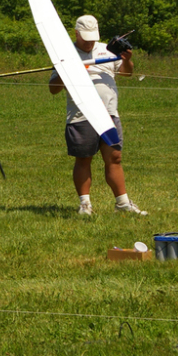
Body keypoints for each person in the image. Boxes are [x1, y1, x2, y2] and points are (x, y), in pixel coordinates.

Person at [48, 15, 147, 216]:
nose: (90, 42)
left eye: (93, 37)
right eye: (85, 38)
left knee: (115, 157)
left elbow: (126, 73)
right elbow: (53, 88)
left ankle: (123, 203)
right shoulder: (65, 54)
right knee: (84, 158)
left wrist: (127, 61)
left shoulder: (107, 50)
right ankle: (85, 204)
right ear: (76, 33)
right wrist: (64, 70)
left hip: (110, 113)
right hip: (81, 114)